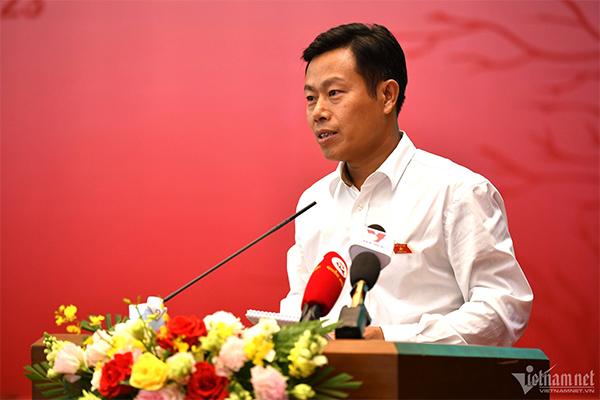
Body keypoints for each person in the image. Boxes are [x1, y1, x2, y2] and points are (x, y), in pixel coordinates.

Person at [279, 23, 533, 346]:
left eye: (334, 94)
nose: (318, 112)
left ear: (387, 96)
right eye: (310, 98)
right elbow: (301, 304)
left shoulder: (455, 191)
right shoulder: (313, 202)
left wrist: (391, 340)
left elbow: (503, 306)